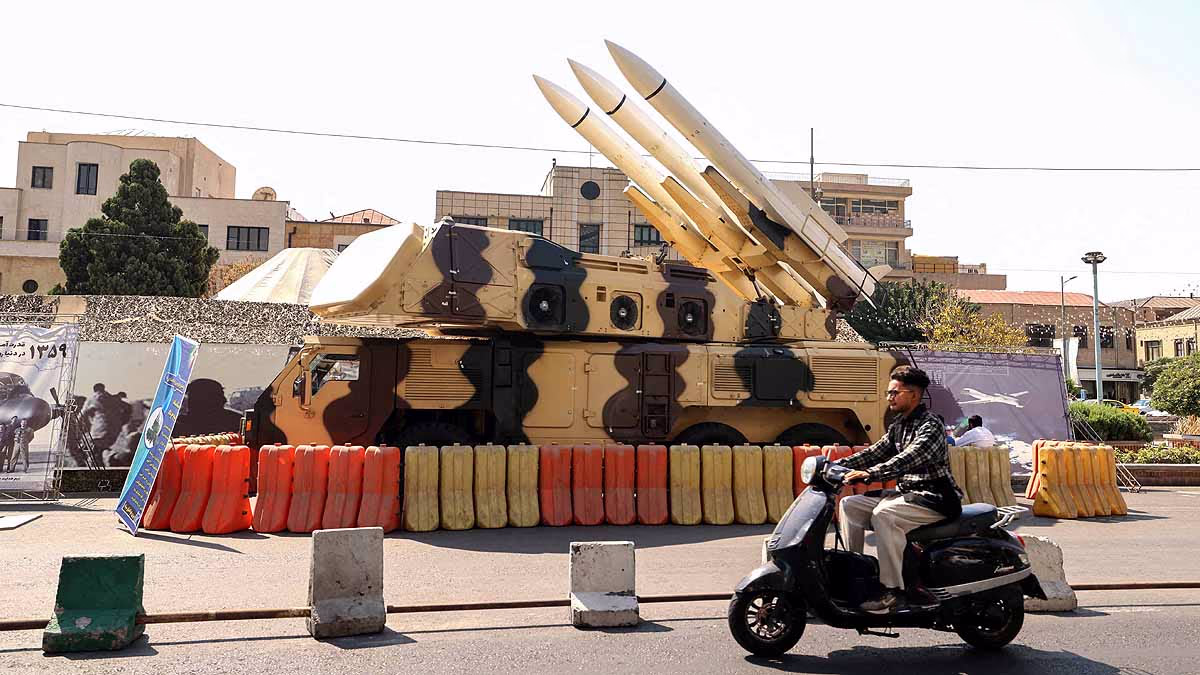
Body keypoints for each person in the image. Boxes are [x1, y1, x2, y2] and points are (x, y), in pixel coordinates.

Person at [837, 365, 963, 614]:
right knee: (849, 505)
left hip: (935, 499)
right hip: (908, 496)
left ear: (913, 395)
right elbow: (874, 452)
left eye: (895, 393)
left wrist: (870, 474)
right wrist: (834, 465)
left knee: (884, 515)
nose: (889, 398)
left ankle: (892, 591)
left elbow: (908, 458)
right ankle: (856, 573)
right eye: (888, 393)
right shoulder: (899, 425)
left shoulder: (931, 426)